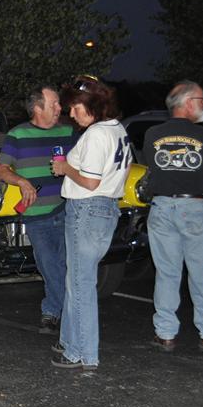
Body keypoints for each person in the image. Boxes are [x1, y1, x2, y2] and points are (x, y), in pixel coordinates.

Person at [51, 75, 131, 371]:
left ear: (91, 105)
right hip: (106, 209)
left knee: (81, 284)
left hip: (87, 210)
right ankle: (70, 344)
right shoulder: (117, 129)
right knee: (77, 280)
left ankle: (83, 354)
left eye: (75, 108)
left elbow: (90, 181)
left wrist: (65, 168)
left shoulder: (97, 134)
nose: (71, 114)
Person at [0, 86, 76, 334]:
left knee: (66, 265)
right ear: (38, 108)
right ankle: (65, 312)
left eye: (59, 103)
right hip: (36, 215)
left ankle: (53, 312)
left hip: (66, 210)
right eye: (54, 104)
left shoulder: (68, 132)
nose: (60, 108)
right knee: (49, 266)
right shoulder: (18, 135)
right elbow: (1, 169)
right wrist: (21, 181)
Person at [142, 80, 203, 354]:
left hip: (162, 206)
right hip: (195, 207)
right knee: (201, 272)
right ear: (188, 103)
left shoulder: (152, 134)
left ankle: (166, 333)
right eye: (202, 101)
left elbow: (150, 167)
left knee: (167, 273)